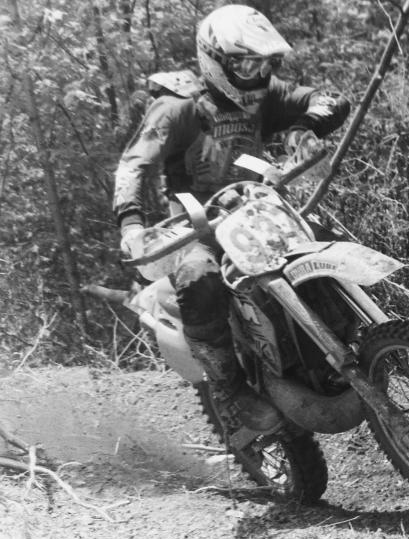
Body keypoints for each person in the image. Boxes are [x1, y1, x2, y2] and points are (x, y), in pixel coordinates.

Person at [113, 5, 350, 437]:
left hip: (258, 207)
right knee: (198, 277)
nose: (256, 73)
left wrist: (303, 127)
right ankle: (229, 387)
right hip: (197, 224)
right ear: (215, 60)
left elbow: (329, 99)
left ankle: (363, 339)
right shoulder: (178, 109)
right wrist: (131, 225)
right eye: (245, 63)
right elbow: (133, 165)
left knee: (326, 241)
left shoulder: (268, 95)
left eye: (264, 63)